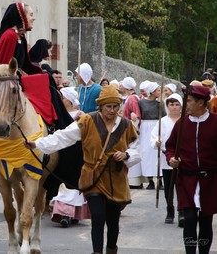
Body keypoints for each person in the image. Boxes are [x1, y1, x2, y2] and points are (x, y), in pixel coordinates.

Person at [24, 85, 141, 254]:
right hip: (92, 177)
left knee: (113, 222)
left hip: (116, 179)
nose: (112, 110)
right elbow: (64, 136)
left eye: (115, 106)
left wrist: (127, 155)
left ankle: (111, 249)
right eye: (108, 106)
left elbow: (137, 149)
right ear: (101, 106)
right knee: (98, 218)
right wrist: (38, 144)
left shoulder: (126, 125)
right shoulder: (87, 121)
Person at [0, 2, 73, 184]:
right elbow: (4, 69)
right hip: (7, 84)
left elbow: (24, 65)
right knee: (47, 86)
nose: (33, 17)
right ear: (21, 16)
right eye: (30, 14)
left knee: (47, 81)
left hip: (16, 80)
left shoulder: (20, 38)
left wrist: (41, 73)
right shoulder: (9, 36)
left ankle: (53, 128)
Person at [166, 85, 217, 254]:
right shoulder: (182, 123)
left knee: (205, 220)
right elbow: (171, 146)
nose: (185, 105)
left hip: (210, 180)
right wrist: (171, 159)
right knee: (188, 219)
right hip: (186, 179)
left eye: (189, 101)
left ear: (201, 102)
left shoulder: (216, 122)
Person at [50, 87, 90, 227]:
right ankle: (63, 213)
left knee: (73, 185)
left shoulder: (81, 115)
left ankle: (70, 214)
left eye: (64, 98)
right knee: (61, 184)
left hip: (76, 154)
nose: (61, 100)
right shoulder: (59, 114)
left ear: (70, 100)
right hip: (61, 153)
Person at [150, 93, 183, 225]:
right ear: (167, 106)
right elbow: (153, 136)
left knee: (181, 187)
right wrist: (156, 142)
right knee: (169, 188)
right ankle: (170, 210)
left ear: (181, 105)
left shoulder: (186, 120)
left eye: (177, 104)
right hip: (166, 158)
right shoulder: (162, 122)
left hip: (182, 158)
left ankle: (182, 212)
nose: (174, 107)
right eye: (171, 104)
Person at [138, 81, 166, 190]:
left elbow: (163, 116)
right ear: (152, 92)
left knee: (157, 154)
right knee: (146, 153)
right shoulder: (141, 102)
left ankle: (160, 180)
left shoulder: (160, 103)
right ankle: (150, 181)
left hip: (156, 126)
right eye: (158, 90)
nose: (160, 92)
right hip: (145, 127)